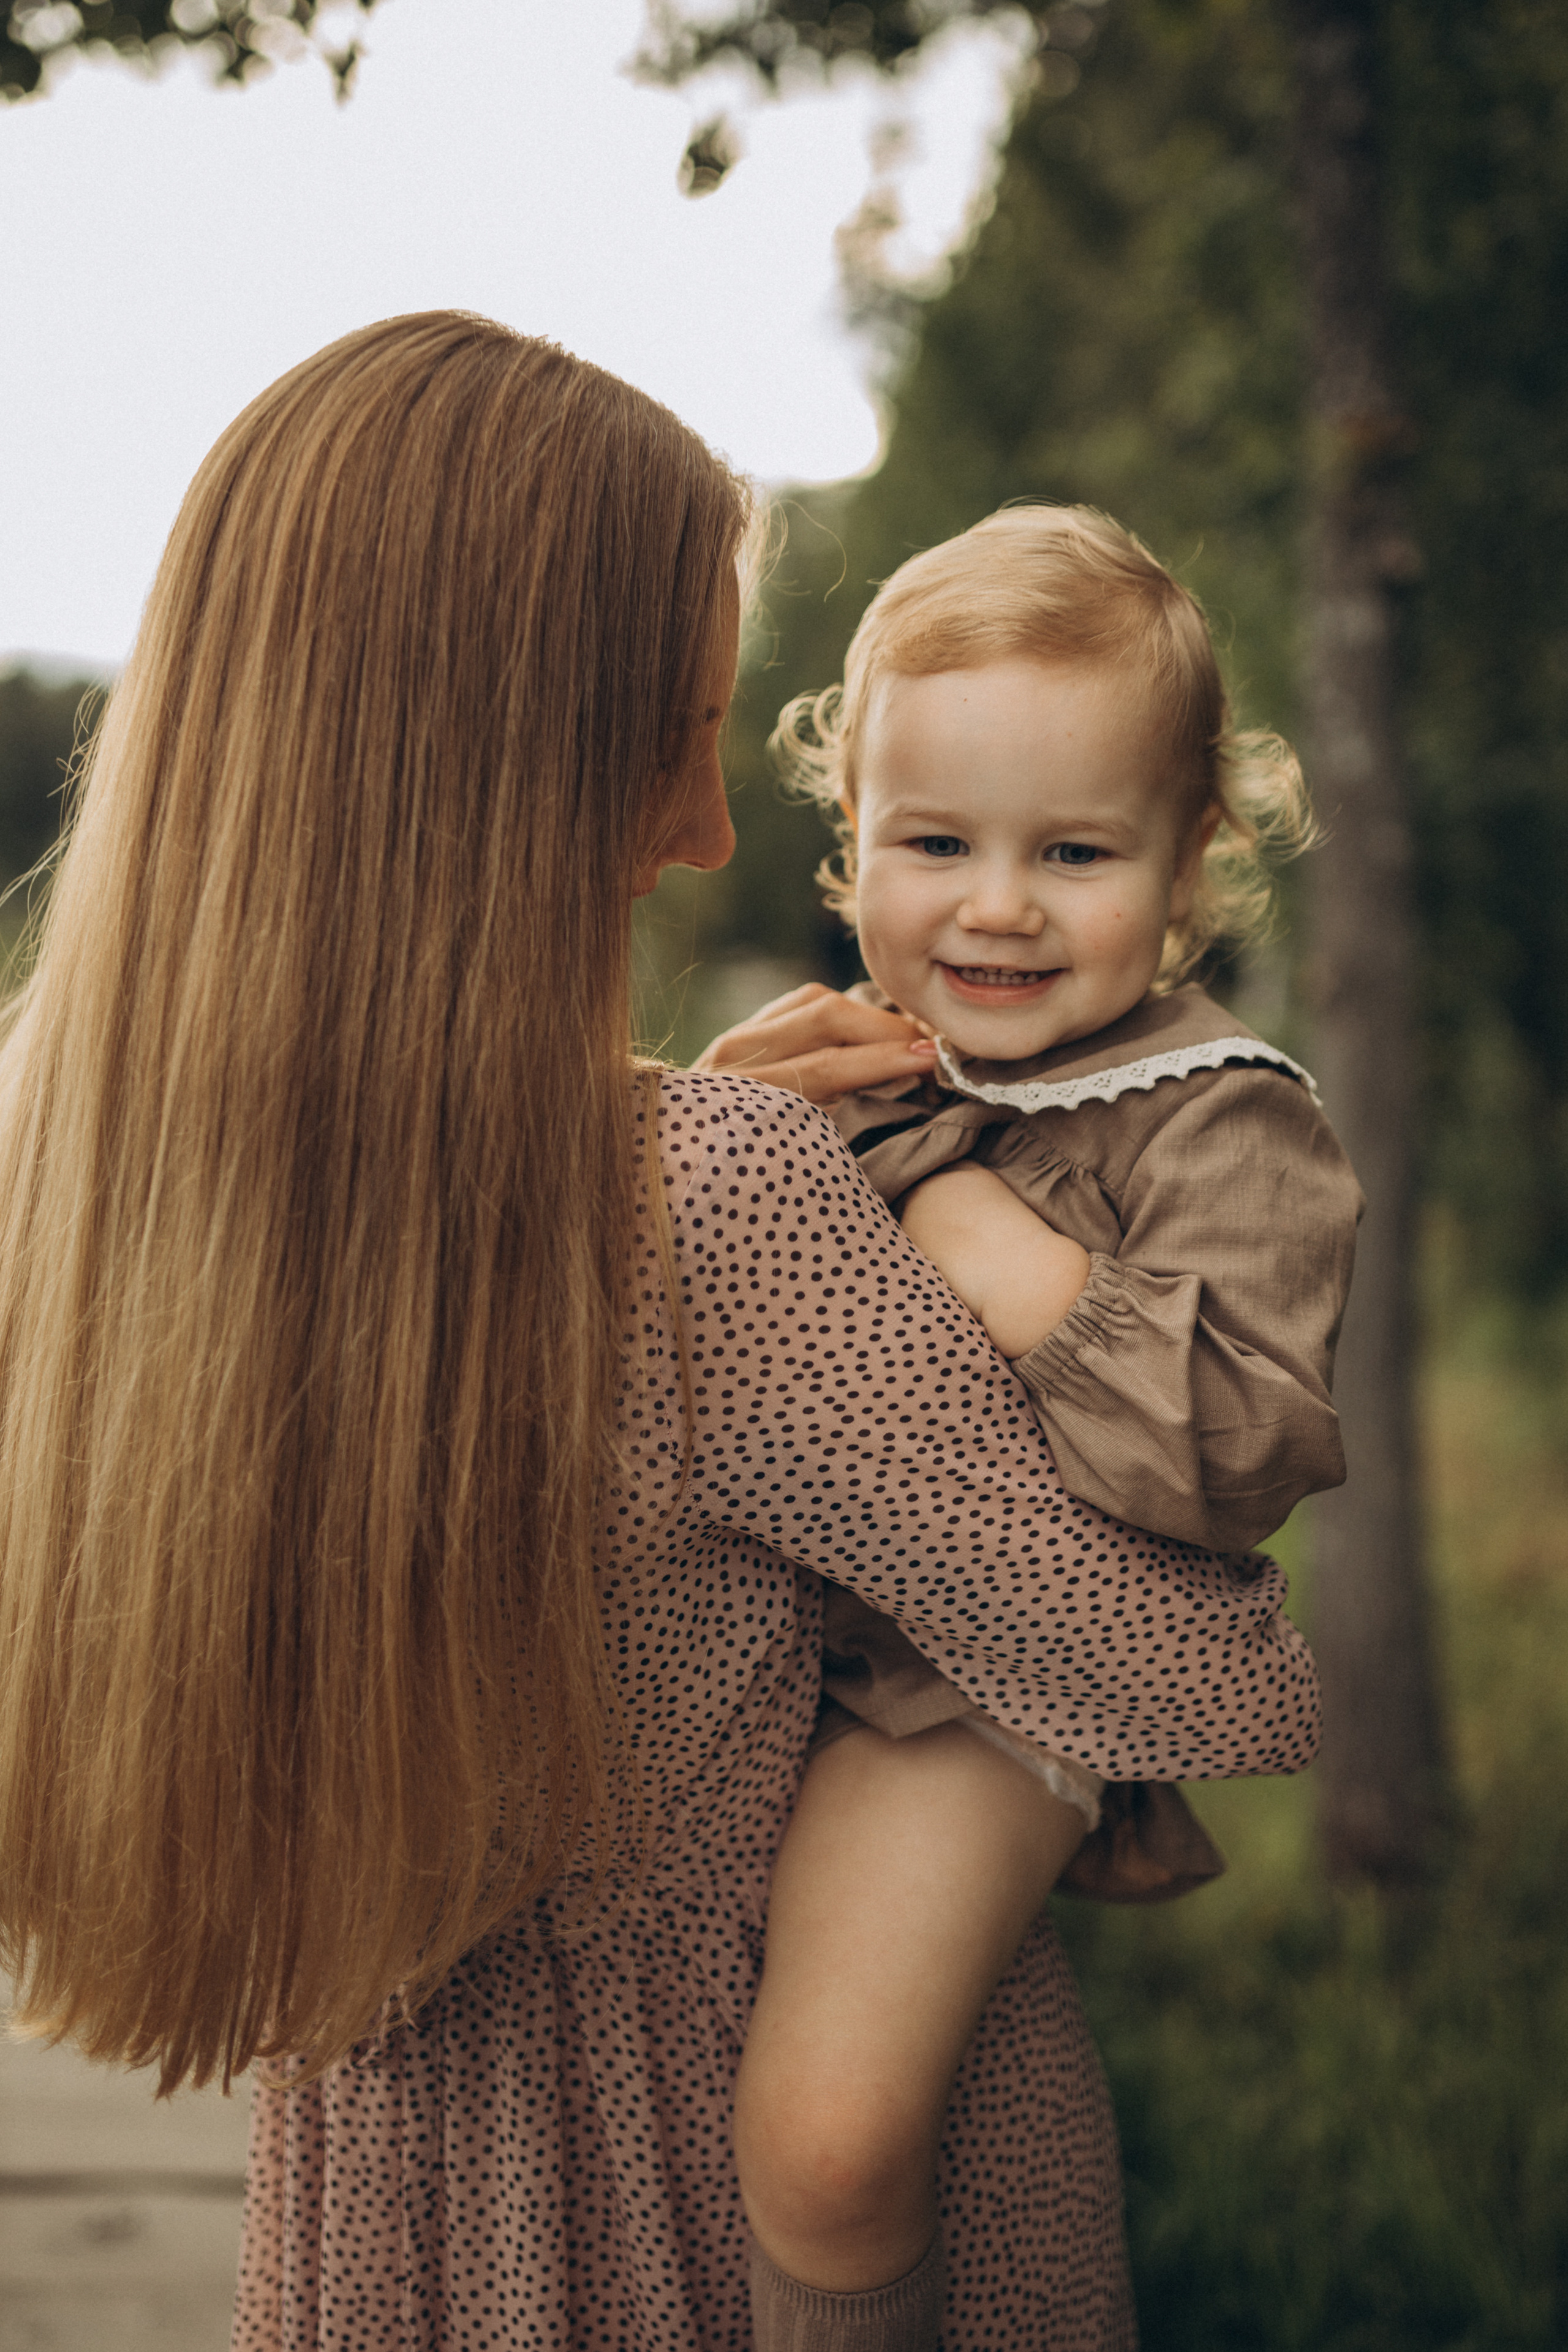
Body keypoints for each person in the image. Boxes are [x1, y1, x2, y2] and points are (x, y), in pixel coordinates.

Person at [0, 324, 1321, 2352]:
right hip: (720, 2183)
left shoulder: (75, 1191)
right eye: (673, 735)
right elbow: (1176, 1656)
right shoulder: (710, 1199)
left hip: (392, 2197)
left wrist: (696, 1119)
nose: (711, 829)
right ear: (505, 760)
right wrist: (841, 1206)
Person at [695, 504, 1361, 2339]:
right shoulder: (843, 1059)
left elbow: (1232, 1453)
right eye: (935, 842)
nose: (994, 905)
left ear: (1189, 856)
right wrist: (710, 1134)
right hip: (743, 1639)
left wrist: (965, 1220)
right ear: (854, 843)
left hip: (976, 1687)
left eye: (1072, 850)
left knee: (829, 2135)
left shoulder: (1220, 1119)